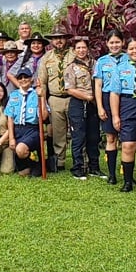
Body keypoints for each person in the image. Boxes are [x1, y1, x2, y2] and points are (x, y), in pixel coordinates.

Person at [109, 38, 136, 192]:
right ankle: (127, 182)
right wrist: (115, 116)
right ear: (126, 51)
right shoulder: (120, 67)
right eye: (131, 48)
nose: (135, 51)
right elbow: (114, 93)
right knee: (128, 145)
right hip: (128, 104)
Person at [37, 28, 75, 172]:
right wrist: (43, 104)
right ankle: (60, 162)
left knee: (77, 130)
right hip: (55, 98)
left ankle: (80, 160)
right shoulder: (46, 58)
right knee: (58, 133)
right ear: (52, 40)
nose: (58, 40)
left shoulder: (74, 54)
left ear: (66, 38)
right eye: (55, 38)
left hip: (73, 97)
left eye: (61, 37)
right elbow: (42, 82)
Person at [94, 29, 128, 183]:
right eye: (111, 42)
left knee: (127, 139)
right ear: (107, 44)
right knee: (111, 137)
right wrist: (100, 106)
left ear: (123, 42)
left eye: (117, 42)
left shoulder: (129, 59)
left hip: (126, 99)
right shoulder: (101, 61)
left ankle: (127, 173)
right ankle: (112, 174)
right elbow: (98, 85)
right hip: (107, 98)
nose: (115, 45)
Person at [64, 38, 101, 179]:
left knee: (94, 136)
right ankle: (78, 168)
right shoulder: (71, 67)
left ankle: (94, 167)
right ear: (74, 50)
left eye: (83, 48)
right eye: (78, 48)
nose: (81, 50)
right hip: (79, 104)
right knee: (78, 137)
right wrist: (88, 97)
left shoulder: (95, 64)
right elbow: (70, 89)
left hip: (94, 105)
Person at [5, 67, 47, 177]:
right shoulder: (13, 95)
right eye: (20, 78)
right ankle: (34, 164)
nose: (23, 80)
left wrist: (42, 97)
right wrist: (11, 138)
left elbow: (44, 117)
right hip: (17, 129)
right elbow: (10, 118)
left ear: (31, 79)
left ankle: (38, 165)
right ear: (17, 80)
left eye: (26, 77)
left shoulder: (35, 94)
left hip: (32, 129)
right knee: (23, 173)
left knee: (20, 149)